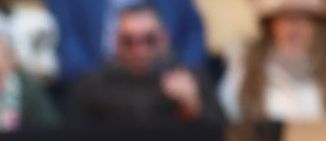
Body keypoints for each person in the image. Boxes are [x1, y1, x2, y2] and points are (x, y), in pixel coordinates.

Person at [67, 3, 221, 124]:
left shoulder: (192, 80)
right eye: (128, 42)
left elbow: (222, 138)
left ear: (164, 38)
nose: (139, 51)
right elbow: (71, 140)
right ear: (115, 42)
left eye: (149, 40)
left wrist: (192, 107)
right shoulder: (92, 87)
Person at [220, 0, 326, 122]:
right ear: (272, 24)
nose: (296, 26)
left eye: (305, 19)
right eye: (288, 18)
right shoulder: (245, 63)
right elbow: (230, 112)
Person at [47, 0, 207, 82]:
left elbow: (192, 33)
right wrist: (91, 86)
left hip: (166, 81)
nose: (139, 51)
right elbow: (67, 42)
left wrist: (185, 76)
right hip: (99, 85)